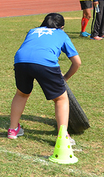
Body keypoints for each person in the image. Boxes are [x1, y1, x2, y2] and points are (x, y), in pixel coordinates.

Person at [8, 13, 81, 145]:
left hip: (21, 61)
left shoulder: (32, 31)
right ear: (62, 26)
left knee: (22, 93)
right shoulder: (61, 34)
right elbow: (77, 62)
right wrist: (65, 78)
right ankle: (63, 137)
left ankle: (12, 130)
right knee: (61, 98)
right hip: (45, 62)